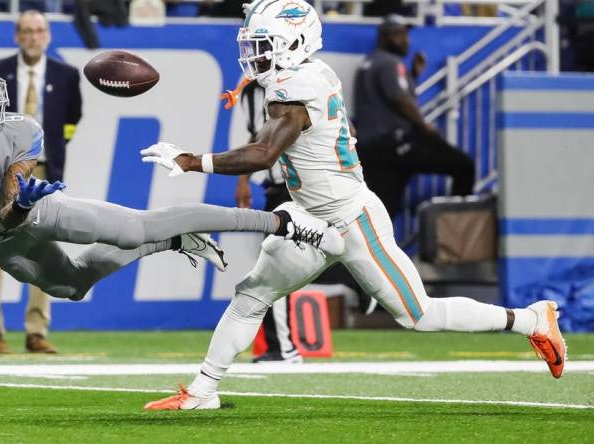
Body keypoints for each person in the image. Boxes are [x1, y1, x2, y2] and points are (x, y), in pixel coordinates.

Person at [140, 0, 566, 410]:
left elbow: (263, 154)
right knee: (252, 295)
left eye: (263, 45)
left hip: (350, 218)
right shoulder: (307, 74)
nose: (254, 55)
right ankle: (201, 391)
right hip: (308, 216)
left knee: (418, 314)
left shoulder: (297, 86)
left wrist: (191, 161)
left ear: (295, 43)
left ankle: (531, 320)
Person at [0, 49, 344, 329]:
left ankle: (278, 221)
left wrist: (22, 208)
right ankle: (173, 240)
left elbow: (11, 209)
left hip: (37, 211)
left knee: (133, 229)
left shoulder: (20, 130)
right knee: (71, 289)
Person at [0, 10, 82, 354]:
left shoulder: (66, 75)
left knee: (43, 247)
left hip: (42, 170)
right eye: (27, 31)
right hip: (2, 169)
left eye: (39, 31)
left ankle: (36, 330)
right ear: (17, 36)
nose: (33, 37)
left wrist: (51, 155)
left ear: (48, 36)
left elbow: (71, 119)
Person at [353, 14, 475, 219]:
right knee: (464, 166)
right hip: (396, 143)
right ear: (384, 37)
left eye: (405, 34)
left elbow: (385, 98)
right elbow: (399, 99)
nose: (405, 40)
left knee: (381, 212)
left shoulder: (368, 62)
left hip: (370, 150)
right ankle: (458, 231)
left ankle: (373, 250)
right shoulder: (392, 63)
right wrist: (424, 126)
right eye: (399, 35)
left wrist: (413, 76)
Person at [235, 81, 302, 363]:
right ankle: (280, 347)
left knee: (275, 269)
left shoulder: (308, 82)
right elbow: (258, 137)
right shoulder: (253, 91)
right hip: (278, 190)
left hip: (305, 189)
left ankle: (283, 348)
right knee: (276, 266)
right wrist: (243, 179)